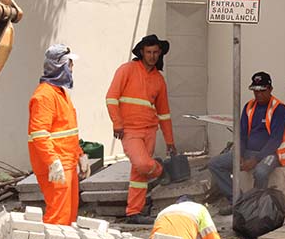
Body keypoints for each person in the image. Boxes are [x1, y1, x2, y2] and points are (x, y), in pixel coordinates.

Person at [106, 34, 176, 224]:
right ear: (141, 52)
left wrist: (170, 141)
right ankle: (161, 170)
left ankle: (134, 212)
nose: (152, 56)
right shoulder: (127, 70)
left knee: (139, 174)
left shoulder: (159, 80)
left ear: (160, 53)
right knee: (143, 164)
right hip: (129, 130)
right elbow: (111, 98)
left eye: (155, 52)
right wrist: (117, 123)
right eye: (148, 52)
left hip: (150, 130)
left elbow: (164, 113)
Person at [208, 71, 285, 215]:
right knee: (215, 164)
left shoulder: (279, 109)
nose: (258, 95)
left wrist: (255, 160)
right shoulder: (249, 107)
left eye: (262, 91)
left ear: (270, 89)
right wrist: (239, 153)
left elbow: (275, 140)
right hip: (248, 152)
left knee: (260, 172)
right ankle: (237, 201)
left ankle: (256, 206)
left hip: (271, 153)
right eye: (255, 91)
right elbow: (242, 134)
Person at [28, 44, 91, 225]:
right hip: (55, 165)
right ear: (60, 67)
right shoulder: (44, 96)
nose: (72, 69)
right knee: (58, 216)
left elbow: (67, 130)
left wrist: (80, 155)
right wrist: (53, 162)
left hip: (65, 162)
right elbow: (39, 134)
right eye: (69, 65)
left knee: (69, 215)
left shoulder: (60, 93)